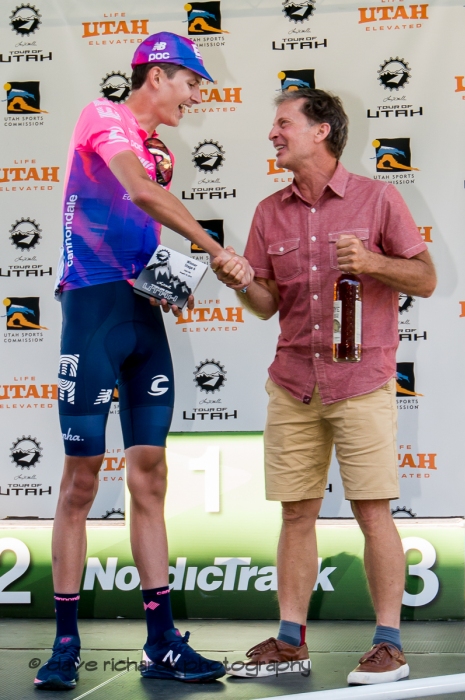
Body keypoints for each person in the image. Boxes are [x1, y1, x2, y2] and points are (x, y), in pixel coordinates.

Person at [34, 32, 253, 691]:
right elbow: (137, 193)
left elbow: (142, 229)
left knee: (150, 475)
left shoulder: (161, 149)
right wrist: (213, 249)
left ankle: (161, 640)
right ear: (158, 75)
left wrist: (171, 279)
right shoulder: (103, 116)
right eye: (191, 83)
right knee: (79, 482)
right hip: (93, 309)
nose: (196, 96)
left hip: (140, 314)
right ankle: (65, 642)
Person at [217, 88, 436, 685]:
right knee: (295, 514)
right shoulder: (268, 211)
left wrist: (372, 263)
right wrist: (238, 278)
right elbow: (265, 304)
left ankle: (389, 644)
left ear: (321, 132)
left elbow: (426, 277)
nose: (273, 133)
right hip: (292, 384)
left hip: (362, 381)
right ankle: (291, 641)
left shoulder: (379, 197)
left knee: (371, 511)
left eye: (283, 123)